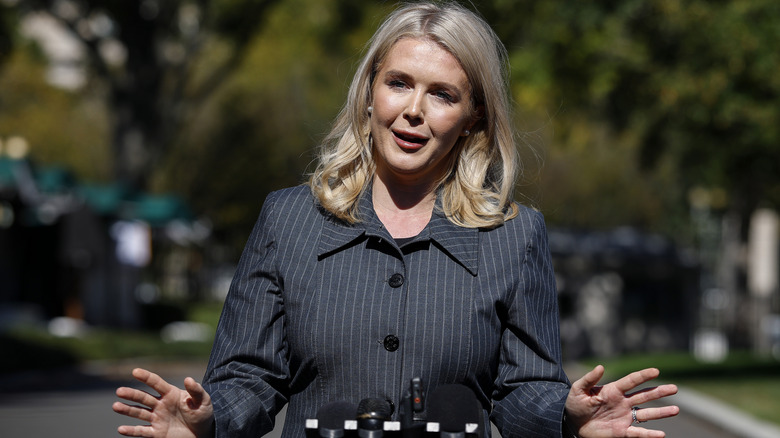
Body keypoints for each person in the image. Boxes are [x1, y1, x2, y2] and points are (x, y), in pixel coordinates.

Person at [113, 2, 679, 437]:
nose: (413, 110)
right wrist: (209, 418)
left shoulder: (515, 235)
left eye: (442, 94)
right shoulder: (286, 219)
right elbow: (249, 377)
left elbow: (522, 388)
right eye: (400, 83)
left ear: (473, 116)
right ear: (369, 91)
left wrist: (565, 414)